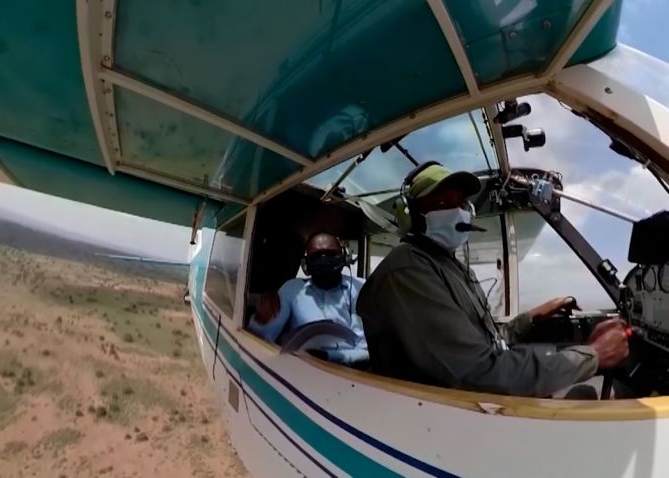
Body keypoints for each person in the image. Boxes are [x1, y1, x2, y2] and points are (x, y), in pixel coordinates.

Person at [355, 162, 630, 398]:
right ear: (410, 216)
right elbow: (478, 372)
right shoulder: (408, 271)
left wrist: (531, 317)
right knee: (587, 398)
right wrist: (592, 356)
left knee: (584, 395)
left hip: (468, 406)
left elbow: (486, 341)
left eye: (460, 203)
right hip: (442, 420)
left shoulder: (451, 266)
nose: (456, 211)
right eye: (441, 203)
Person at [248, 233, 368, 365]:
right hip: (302, 367)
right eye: (316, 256)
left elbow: (365, 349)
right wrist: (262, 320)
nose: (324, 259)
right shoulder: (292, 289)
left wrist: (327, 356)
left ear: (343, 257)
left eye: (330, 253)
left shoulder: (360, 288)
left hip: (350, 372)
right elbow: (266, 338)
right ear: (306, 263)